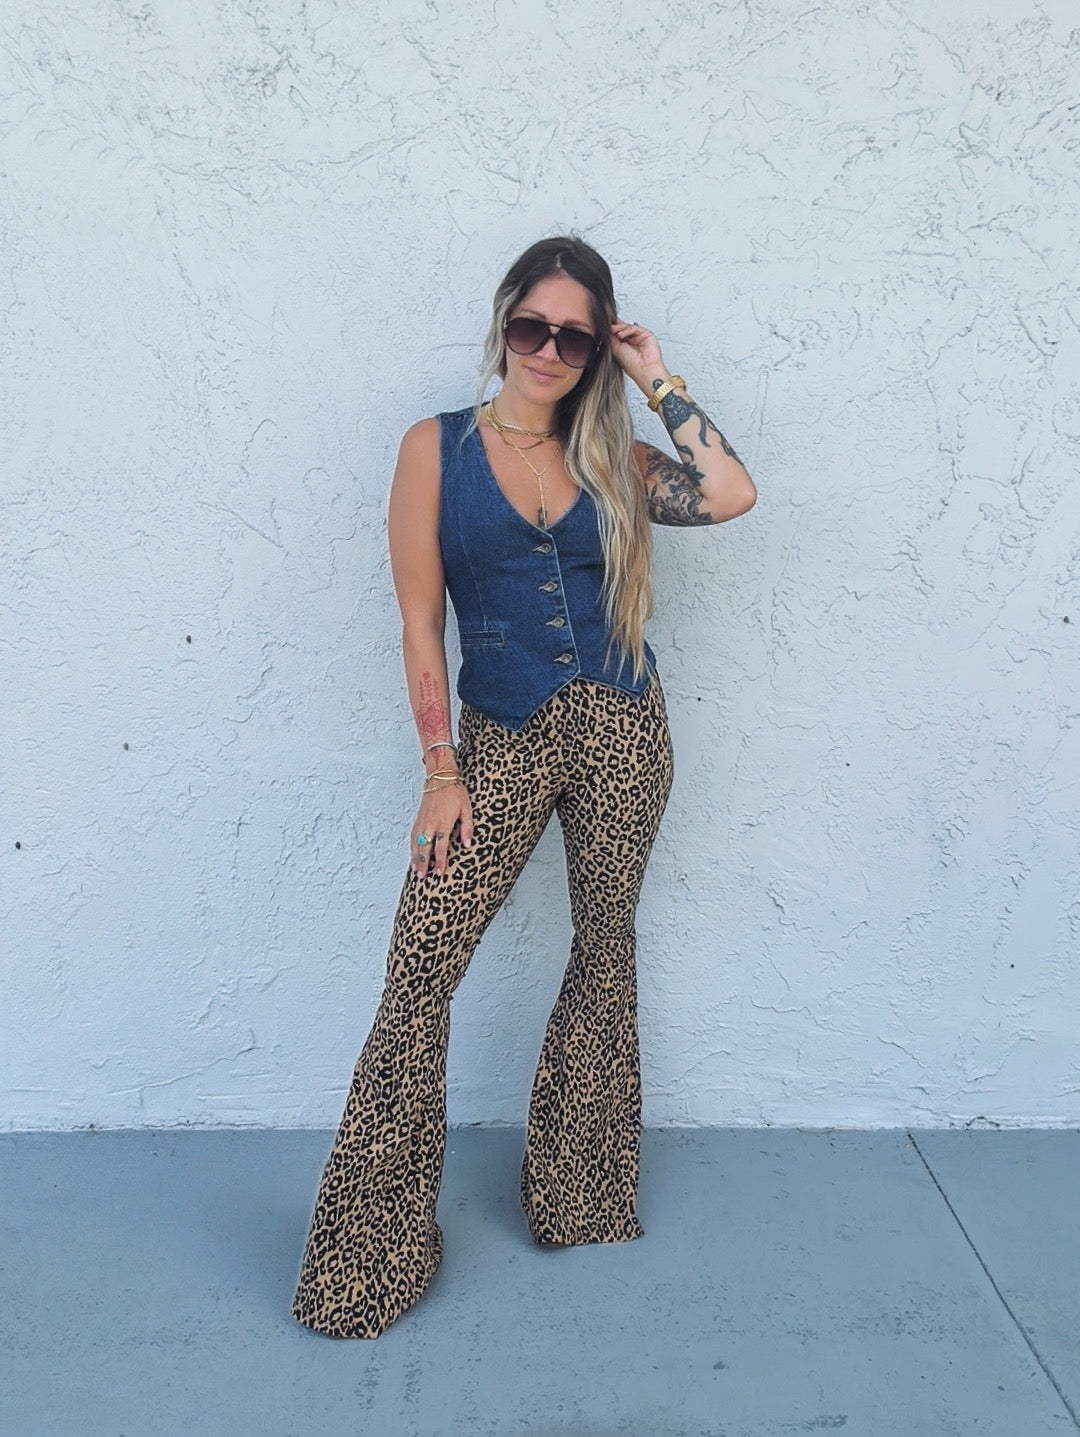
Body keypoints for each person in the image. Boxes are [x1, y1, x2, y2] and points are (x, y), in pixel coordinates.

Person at [291, 235, 757, 1339]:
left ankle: (580, 1197)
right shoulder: (436, 449)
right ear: (504, 324)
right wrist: (438, 770)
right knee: (420, 971)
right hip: (498, 736)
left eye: (575, 337)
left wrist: (655, 375)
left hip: (623, 723)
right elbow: (421, 620)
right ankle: (371, 1256)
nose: (548, 350)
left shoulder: (614, 455)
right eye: (532, 326)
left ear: (594, 350)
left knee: (604, 948)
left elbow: (731, 493)